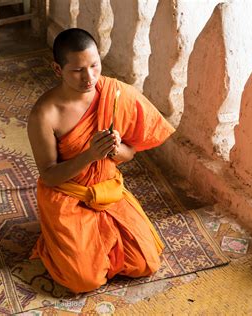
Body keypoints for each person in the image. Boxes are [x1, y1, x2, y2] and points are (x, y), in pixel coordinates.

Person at [27, 28, 175, 293]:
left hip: (107, 190)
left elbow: (130, 154)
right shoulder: (44, 114)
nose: (89, 77)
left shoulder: (116, 94)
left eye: (94, 65)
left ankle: (79, 244)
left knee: (145, 263)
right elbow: (48, 175)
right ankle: (52, 242)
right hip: (67, 194)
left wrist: (114, 150)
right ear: (58, 70)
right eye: (77, 70)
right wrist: (89, 155)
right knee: (84, 281)